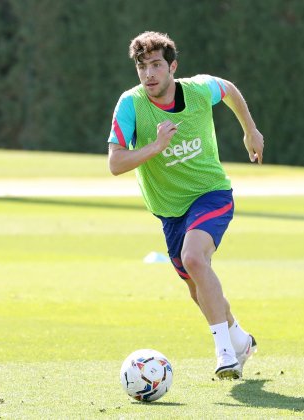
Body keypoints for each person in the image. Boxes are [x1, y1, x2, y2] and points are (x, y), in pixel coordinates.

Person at [107, 31, 264, 379]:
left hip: (211, 193)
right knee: (196, 285)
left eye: (157, 65)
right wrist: (155, 147)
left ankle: (225, 353)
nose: (149, 74)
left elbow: (229, 90)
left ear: (172, 66)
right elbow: (115, 163)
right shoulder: (130, 105)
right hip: (169, 210)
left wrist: (250, 131)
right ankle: (240, 339)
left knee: (195, 258)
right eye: (142, 66)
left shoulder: (197, 89)